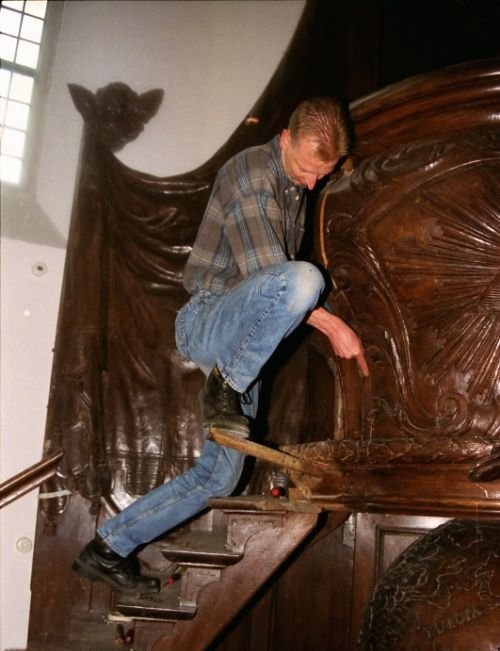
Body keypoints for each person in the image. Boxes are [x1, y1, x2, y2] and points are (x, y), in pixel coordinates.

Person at [72, 97, 369, 594]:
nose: (311, 183)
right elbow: (272, 277)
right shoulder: (251, 172)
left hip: (239, 350)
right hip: (208, 320)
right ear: (285, 139)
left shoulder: (294, 183)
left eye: (322, 175)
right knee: (303, 280)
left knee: (219, 479)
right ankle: (225, 387)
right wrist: (335, 326)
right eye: (307, 170)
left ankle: (108, 548)